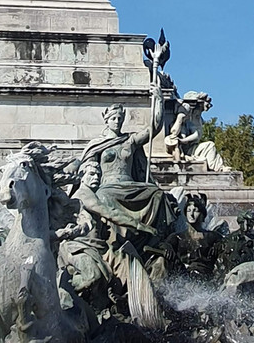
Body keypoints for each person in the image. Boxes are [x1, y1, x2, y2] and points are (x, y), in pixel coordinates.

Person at [79, 103, 177, 241]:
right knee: (103, 197)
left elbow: (154, 128)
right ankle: (116, 239)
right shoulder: (98, 145)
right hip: (108, 187)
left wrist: (159, 101)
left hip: (130, 185)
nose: (117, 122)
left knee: (157, 193)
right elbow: (88, 168)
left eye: (120, 118)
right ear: (106, 120)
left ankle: (158, 237)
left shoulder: (129, 141)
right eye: (113, 118)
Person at [164, 91, 228, 171]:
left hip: (192, 149)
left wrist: (183, 140)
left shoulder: (189, 124)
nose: (187, 115)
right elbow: (173, 133)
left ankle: (218, 168)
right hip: (184, 151)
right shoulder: (175, 124)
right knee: (210, 145)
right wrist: (180, 118)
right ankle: (217, 168)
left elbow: (196, 135)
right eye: (185, 113)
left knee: (210, 145)